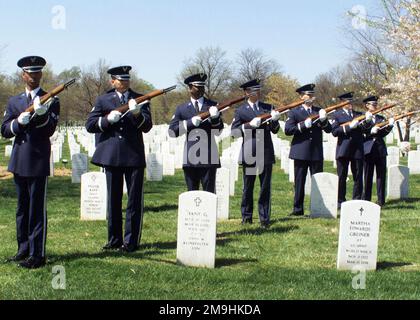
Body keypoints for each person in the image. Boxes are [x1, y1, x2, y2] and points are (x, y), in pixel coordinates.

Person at [1, 56, 60, 269]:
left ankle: (37, 254)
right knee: (22, 209)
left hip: (37, 159)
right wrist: (17, 123)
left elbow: (50, 129)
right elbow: (5, 129)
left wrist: (42, 115)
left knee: (36, 209)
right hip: (19, 160)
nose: (34, 76)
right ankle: (23, 249)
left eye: (38, 73)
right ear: (23, 75)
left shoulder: (50, 99)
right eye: (30, 73)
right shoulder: (15, 101)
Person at [85, 66, 152, 253]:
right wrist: (107, 120)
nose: (124, 82)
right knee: (113, 200)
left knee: (134, 201)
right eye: (120, 79)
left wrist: (137, 113)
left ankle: (131, 241)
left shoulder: (141, 99)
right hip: (112, 155)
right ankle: (114, 239)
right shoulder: (103, 99)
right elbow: (90, 124)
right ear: (112, 81)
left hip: (133, 155)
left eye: (126, 79)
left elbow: (147, 126)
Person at [231, 79, 281, 228]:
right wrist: (249, 125)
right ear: (246, 93)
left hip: (265, 152)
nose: (256, 93)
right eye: (253, 90)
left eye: (258, 90)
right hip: (250, 152)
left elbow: (275, 130)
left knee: (265, 188)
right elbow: (234, 132)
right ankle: (246, 216)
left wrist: (275, 120)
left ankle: (264, 218)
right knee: (248, 187)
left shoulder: (268, 107)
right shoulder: (241, 110)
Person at [168, 73, 223, 193]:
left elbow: (218, 131)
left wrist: (215, 118)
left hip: (209, 157)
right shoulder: (181, 108)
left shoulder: (213, 106)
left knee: (209, 195)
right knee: (191, 195)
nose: (201, 89)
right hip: (190, 158)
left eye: (203, 86)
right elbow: (172, 131)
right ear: (190, 88)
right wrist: (189, 123)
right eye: (198, 86)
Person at [285, 84, 332, 216]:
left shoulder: (319, 111)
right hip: (301, 151)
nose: (310, 97)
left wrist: (324, 120)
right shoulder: (294, 112)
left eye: (312, 95)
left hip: (316, 151)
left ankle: (318, 207)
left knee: (318, 181)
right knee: (299, 181)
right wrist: (302, 126)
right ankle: (298, 209)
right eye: (308, 95)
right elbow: (288, 130)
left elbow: (329, 130)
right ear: (301, 96)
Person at [331, 92, 372, 208]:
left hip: (357, 149)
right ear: (342, 102)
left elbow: (365, 130)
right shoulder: (337, 115)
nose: (349, 103)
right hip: (343, 149)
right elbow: (335, 132)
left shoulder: (358, 114)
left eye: (351, 101)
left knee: (358, 176)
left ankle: (357, 199)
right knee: (341, 176)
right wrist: (349, 127)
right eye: (347, 101)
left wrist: (368, 122)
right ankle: (340, 201)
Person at [362, 96, 395, 206]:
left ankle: (381, 200)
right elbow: (361, 131)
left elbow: (383, 133)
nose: (375, 106)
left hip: (380, 149)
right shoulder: (363, 117)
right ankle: (366, 199)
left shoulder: (381, 118)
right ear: (367, 105)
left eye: (376, 104)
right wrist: (369, 132)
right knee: (368, 176)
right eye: (373, 104)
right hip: (368, 149)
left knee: (381, 176)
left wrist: (389, 126)